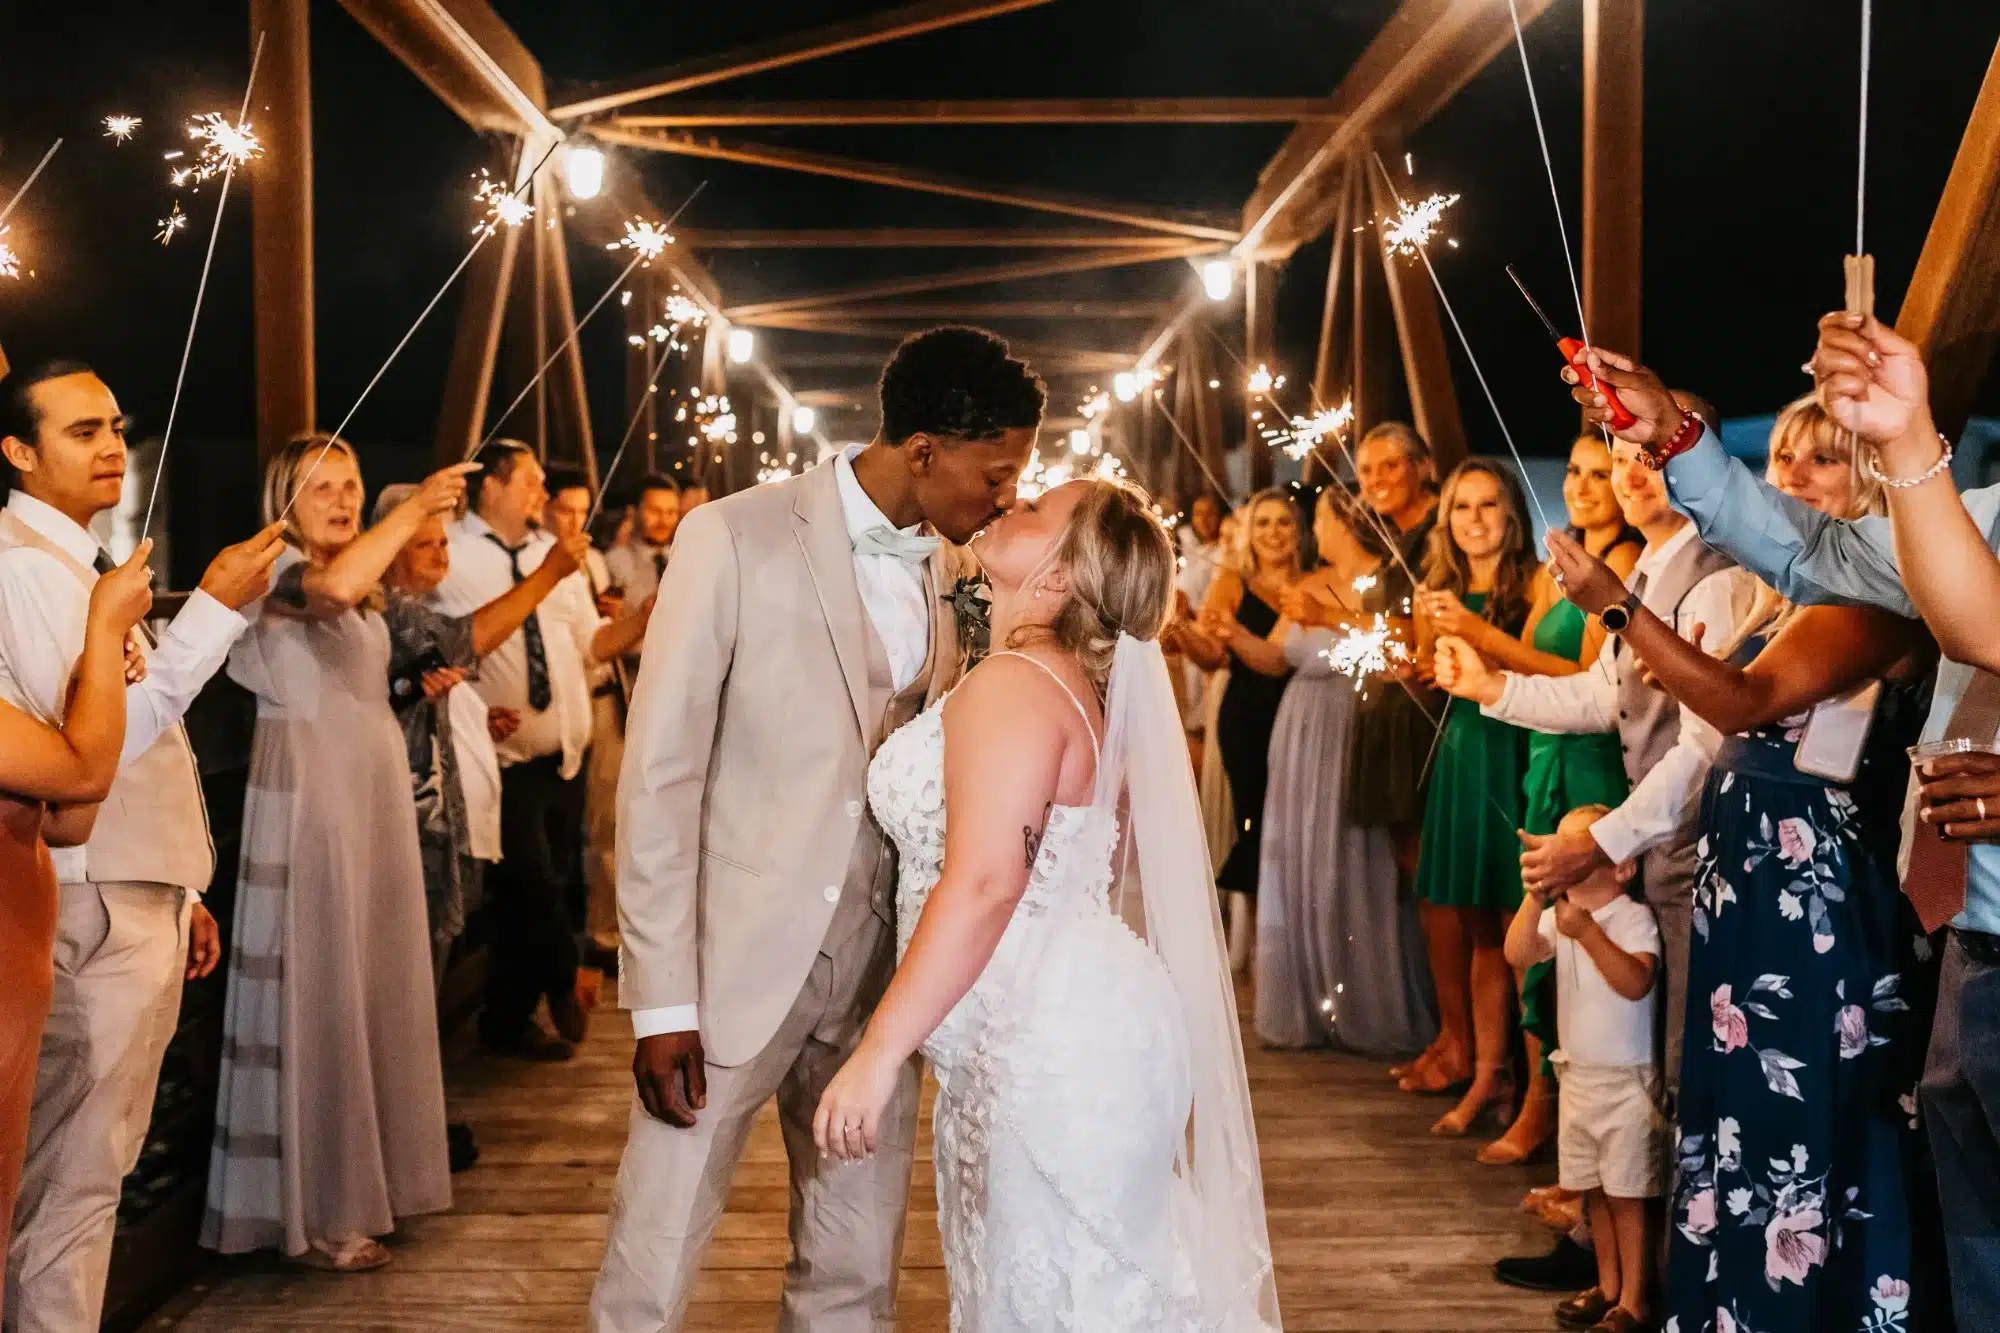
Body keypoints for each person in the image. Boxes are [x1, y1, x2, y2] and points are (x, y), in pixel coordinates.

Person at [592, 325, 1041, 1332]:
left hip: (884, 964)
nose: (1008, 493)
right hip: (730, 965)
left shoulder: (960, 568)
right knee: (656, 1245)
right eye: (997, 469)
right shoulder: (731, 534)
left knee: (854, 1254)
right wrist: (659, 998)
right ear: (923, 449)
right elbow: (660, 775)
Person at [1567, 327, 1991, 1326]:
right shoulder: (1977, 519)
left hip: (1830, 898)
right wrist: (1675, 435)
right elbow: (1815, 553)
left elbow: (1974, 629)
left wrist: (1907, 436)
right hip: (1969, 941)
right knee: (1977, 1247)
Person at [812, 477, 1281, 1332]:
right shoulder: (1054, 679)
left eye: (1036, 511)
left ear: (1061, 578)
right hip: (1050, 1041)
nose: (1012, 502)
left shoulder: (1018, 685)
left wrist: (879, 1053)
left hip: (1055, 1060)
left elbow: (990, 882)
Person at [0, 359, 285, 1331]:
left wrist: (179, 886)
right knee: (77, 1178)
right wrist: (211, 604)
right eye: (82, 431)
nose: (113, 444)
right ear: (17, 451)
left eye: (116, 425)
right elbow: (84, 756)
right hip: (85, 894)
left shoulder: (74, 567)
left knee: (87, 1169)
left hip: (128, 883)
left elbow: (125, 731)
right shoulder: (31, 573)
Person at [201, 438, 477, 1272]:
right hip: (312, 803)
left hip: (371, 798)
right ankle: (314, 1212)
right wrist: (412, 508)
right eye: (322, 486)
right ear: (285, 497)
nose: (342, 498)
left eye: (351, 485)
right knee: (318, 985)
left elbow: (358, 644)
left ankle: (368, 1183)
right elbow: (334, 587)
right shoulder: (277, 567)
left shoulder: (360, 591)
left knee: (369, 980)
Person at [1429, 436, 1642, 1164]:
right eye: (1575, 470)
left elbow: (1590, 679)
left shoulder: (1619, 570)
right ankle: (1537, 1101)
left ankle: (1551, 1113)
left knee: (1577, 935)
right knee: (1529, 935)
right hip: (1544, 750)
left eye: (1600, 472)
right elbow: (1538, 667)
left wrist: (1482, 641)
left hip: (1589, 764)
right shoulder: (1568, 566)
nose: (1583, 485)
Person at [432, 441, 650, 1061]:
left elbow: (590, 645)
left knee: (555, 878)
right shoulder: (453, 554)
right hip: (502, 758)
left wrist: (640, 622)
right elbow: (439, 644)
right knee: (530, 881)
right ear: (493, 486)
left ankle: (509, 1015)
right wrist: (467, 703)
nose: (541, 494)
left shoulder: (552, 556)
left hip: (566, 753)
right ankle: (565, 970)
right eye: (529, 481)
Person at [0, 542, 153, 1327]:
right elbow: (85, 776)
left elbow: (70, 815)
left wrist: (89, 686)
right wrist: (100, 632)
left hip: (20, 937)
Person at [1255, 484, 1435, 1056]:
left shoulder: (1386, 580)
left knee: (1358, 858)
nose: (1317, 532)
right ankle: (1312, 989)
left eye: (1324, 521)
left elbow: (1395, 645)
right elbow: (1272, 654)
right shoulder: (1307, 583)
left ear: (1346, 526)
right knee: (1304, 854)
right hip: (1302, 727)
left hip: (1356, 722)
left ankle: (1368, 995)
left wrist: (1328, 615)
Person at [1407, 460, 1539, 1137]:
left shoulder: (1538, 582)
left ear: (1510, 513)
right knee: (1483, 929)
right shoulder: (1433, 592)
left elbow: (1539, 665)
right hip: (1465, 748)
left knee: (1527, 922)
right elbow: (1439, 674)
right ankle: (1490, 1072)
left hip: (1517, 744)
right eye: (1462, 507)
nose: (1476, 520)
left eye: (1488, 505)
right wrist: (1422, 666)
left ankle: (1535, 1089)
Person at [1503, 805, 1660, 1333]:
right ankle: (1607, 1285)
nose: (1566, 867)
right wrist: (1534, 897)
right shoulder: (1558, 918)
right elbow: (1518, 952)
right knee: (1595, 1191)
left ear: (1623, 867)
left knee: (1627, 1194)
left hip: (1624, 1083)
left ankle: (1634, 1299)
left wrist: (1589, 933)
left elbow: (1636, 982)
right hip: (1578, 1078)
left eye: (1578, 854)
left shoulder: (1631, 919)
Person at [1172, 488, 1305, 970]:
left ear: (1299, 530)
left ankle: (1290, 935)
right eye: (1264, 523)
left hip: (1302, 714)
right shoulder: (1233, 581)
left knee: (1292, 823)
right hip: (1247, 711)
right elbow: (1211, 656)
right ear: (1251, 532)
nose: (1273, 533)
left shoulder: (1313, 582)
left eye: (1283, 523)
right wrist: (1183, 624)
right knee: (1252, 816)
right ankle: (1246, 939)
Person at [545, 467, 634, 972]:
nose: (576, 521)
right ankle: (588, 937)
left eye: (583, 512)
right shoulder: (541, 562)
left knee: (610, 821)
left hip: (604, 698)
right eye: (566, 510)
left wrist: (620, 615)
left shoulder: (594, 560)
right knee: (579, 832)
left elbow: (597, 634)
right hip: (564, 706)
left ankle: (603, 931)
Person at [604, 473, 679, 611]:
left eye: (671, 512)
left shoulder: (685, 559)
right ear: (633, 512)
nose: (664, 521)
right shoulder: (615, 562)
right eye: (654, 511)